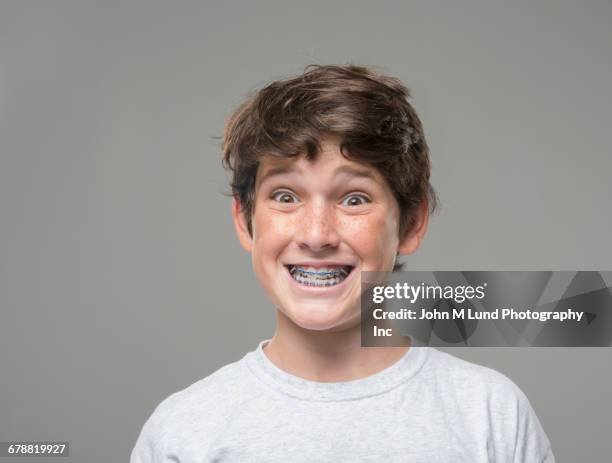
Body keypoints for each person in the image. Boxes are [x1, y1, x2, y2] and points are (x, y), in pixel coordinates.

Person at [130, 64, 555, 462]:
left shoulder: (491, 416)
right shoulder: (183, 433)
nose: (317, 235)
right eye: (285, 196)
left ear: (411, 222)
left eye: (355, 199)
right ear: (245, 221)